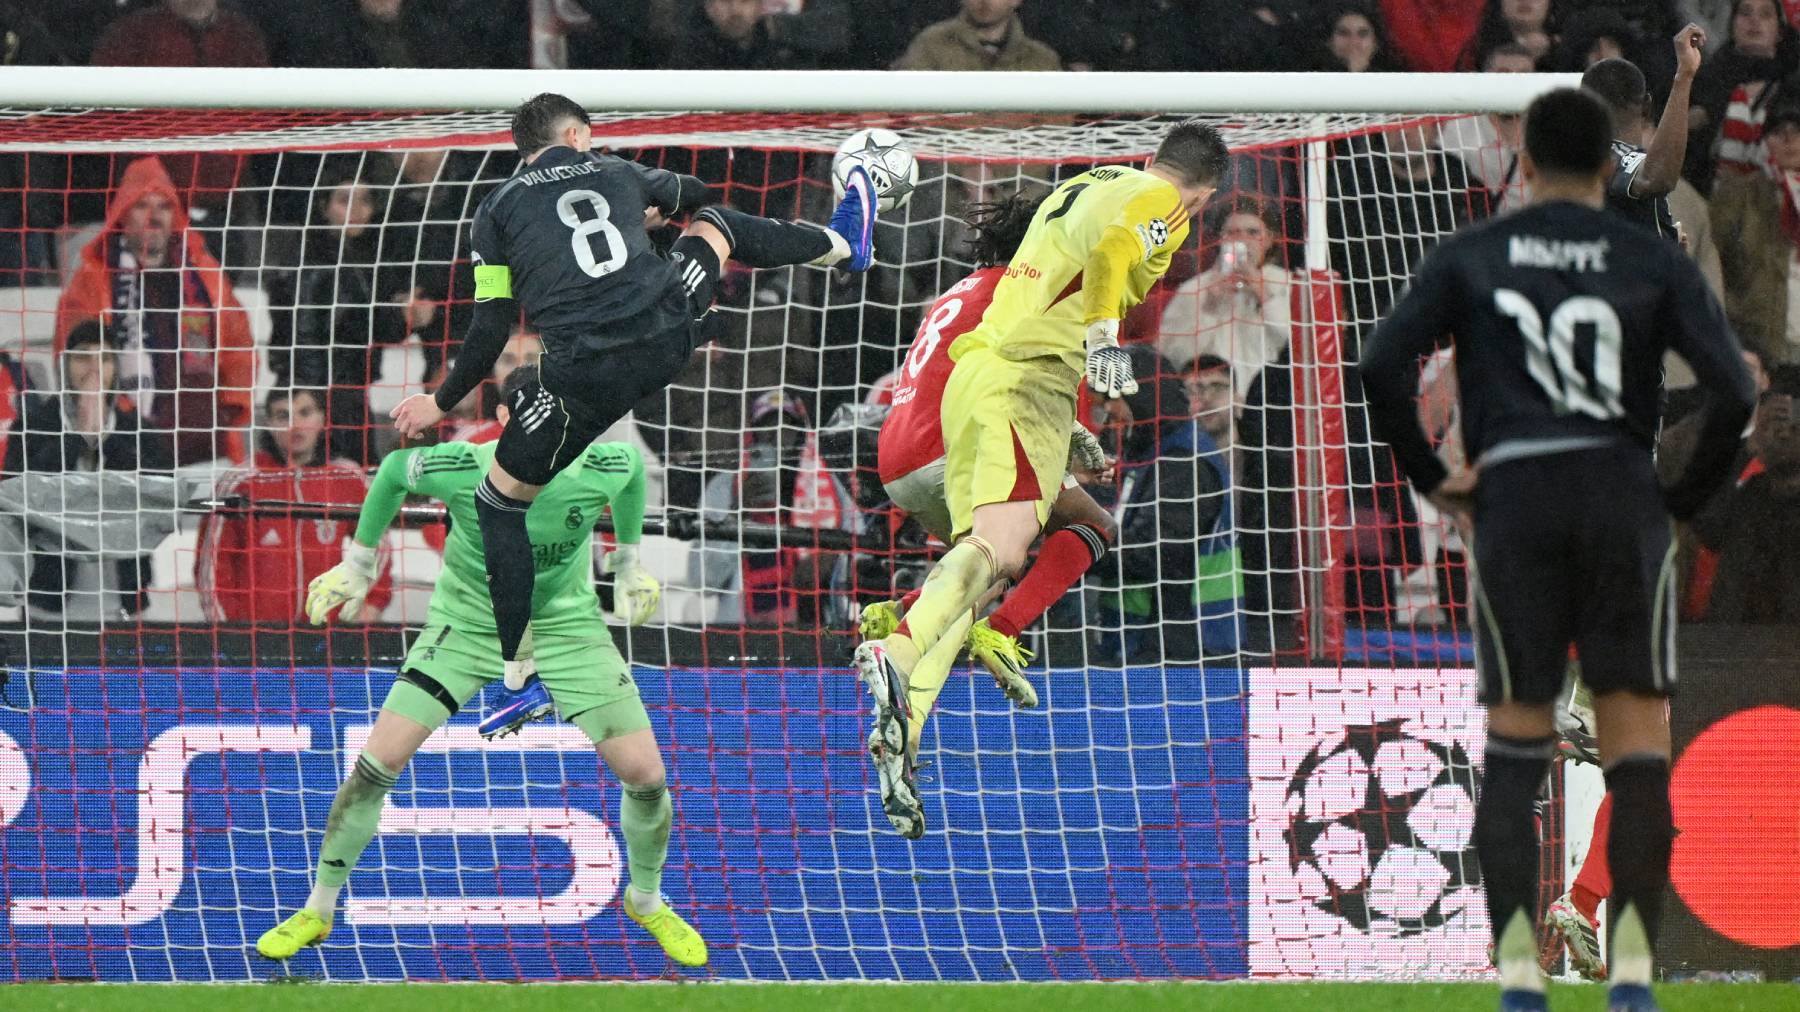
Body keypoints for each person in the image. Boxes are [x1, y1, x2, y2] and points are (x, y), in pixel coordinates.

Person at [1358, 87, 1756, 1012]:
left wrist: (1434, 476)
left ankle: (1521, 975)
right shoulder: (1650, 257)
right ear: (1608, 157)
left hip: (1520, 504)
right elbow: (1734, 390)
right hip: (1621, 500)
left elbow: (1380, 364)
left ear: (1525, 163)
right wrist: (1679, 500)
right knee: (1638, 755)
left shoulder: (1474, 253)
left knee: (1516, 751)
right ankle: (1628, 976)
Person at [388, 92, 878, 717]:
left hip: (580, 378)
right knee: (718, 226)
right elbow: (695, 191)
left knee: (497, 503)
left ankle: (520, 678)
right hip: (665, 335)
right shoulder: (614, 169)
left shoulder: (494, 211)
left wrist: (440, 400)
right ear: (575, 133)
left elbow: (490, 329)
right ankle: (842, 243)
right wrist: (653, 211)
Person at [853, 120, 1228, 839]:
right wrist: (1104, 341)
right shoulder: (1161, 204)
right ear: (1203, 194)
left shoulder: (1086, 186)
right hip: (1008, 395)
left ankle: (908, 719)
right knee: (1000, 545)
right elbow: (1120, 254)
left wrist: (1076, 433)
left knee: (1021, 546)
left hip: (963, 400)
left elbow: (1030, 308)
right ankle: (898, 642)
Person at [259, 364, 705, 967]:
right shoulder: (465, 464)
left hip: (565, 630)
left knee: (648, 779)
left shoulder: (598, 463)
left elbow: (628, 480)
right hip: (466, 625)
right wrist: (358, 563)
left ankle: (645, 900)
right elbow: (393, 471)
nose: (551, 428)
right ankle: (319, 906)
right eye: (533, 416)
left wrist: (627, 563)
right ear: (500, 421)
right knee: (374, 767)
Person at [862, 192, 1119, 727]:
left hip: (897, 451)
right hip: (954, 443)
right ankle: (996, 633)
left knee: (993, 564)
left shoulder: (960, 290)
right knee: (1090, 525)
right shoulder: (1025, 292)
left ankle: (899, 625)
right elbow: (1004, 381)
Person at [54, 156, 256, 465]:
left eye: (163, 206)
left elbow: (239, 345)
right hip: (127, 451)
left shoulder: (205, 273)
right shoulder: (92, 280)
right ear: (122, 214)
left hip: (205, 449)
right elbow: (73, 358)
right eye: (142, 206)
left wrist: (230, 406)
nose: (154, 217)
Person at [2, 322, 171, 617]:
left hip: (123, 604)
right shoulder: (33, 427)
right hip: (48, 604)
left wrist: (104, 438)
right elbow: (17, 505)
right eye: (83, 356)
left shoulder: (140, 432)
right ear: (64, 364)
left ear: (115, 369)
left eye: (104, 358)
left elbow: (161, 509)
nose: (93, 367)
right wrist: (77, 436)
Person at [1580, 25, 1709, 243]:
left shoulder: (1576, 160)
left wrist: (1665, 242)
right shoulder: (1613, 156)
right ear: (1647, 106)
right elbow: (1654, 178)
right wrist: (1684, 76)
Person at [1156, 194, 1290, 393]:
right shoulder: (1193, 290)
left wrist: (1264, 294)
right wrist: (1210, 308)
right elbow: (1172, 357)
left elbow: (1302, 346)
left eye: (1252, 232)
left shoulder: (1288, 284)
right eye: (1233, 232)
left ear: (1269, 239)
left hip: (1272, 397)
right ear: (1220, 239)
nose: (1243, 240)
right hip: (1210, 402)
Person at [1712, 101, 1800, 362]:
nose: (1789, 140)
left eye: (1797, 131)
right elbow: (1714, 258)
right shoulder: (1740, 194)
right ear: (1763, 141)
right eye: (1779, 132)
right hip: (1759, 338)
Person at [892, 0, 1060, 71]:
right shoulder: (930, 44)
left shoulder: (1042, 59)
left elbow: (1056, 126)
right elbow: (913, 114)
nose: (984, 0)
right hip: (946, 144)